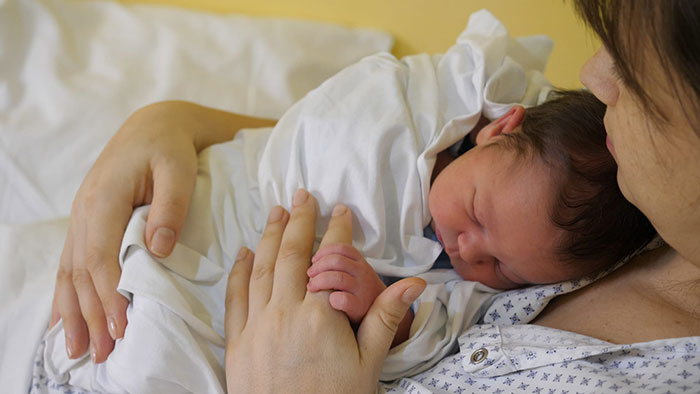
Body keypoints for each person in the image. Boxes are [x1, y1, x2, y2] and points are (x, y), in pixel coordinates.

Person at [48, 0, 700, 393]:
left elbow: (434, 320)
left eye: (643, 82)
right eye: (616, 49)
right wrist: (172, 122)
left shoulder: (580, 235)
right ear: (499, 129)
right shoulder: (606, 174)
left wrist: (389, 317)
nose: (595, 73)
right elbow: (309, 148)